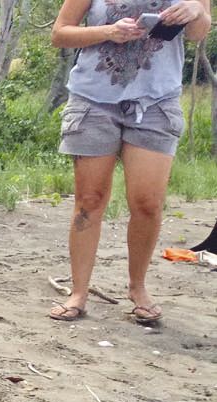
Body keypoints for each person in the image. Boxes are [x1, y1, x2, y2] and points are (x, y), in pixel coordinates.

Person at [50, 0, 211, 324]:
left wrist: (196, 11)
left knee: (148, 203)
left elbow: (198, 33)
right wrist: (109, 31)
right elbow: (60, 33)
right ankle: (79, 292)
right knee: (89, 200)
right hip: (94, 100)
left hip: (157, 101)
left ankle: (138, 288)